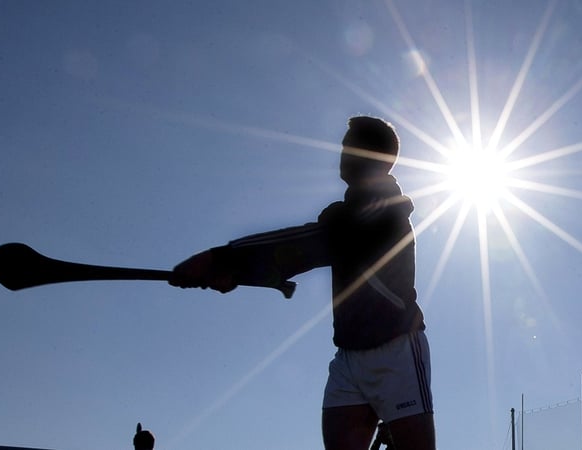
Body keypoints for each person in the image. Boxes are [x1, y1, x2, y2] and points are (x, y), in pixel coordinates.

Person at [169, 116, 436, 450]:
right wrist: (236, 273)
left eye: (348, 146)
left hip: (397, 349)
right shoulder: (343, 216)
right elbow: (308, 248)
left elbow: (310, 245)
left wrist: (221, 260)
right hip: (348, 357)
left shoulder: (384, 212)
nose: (341, 154)